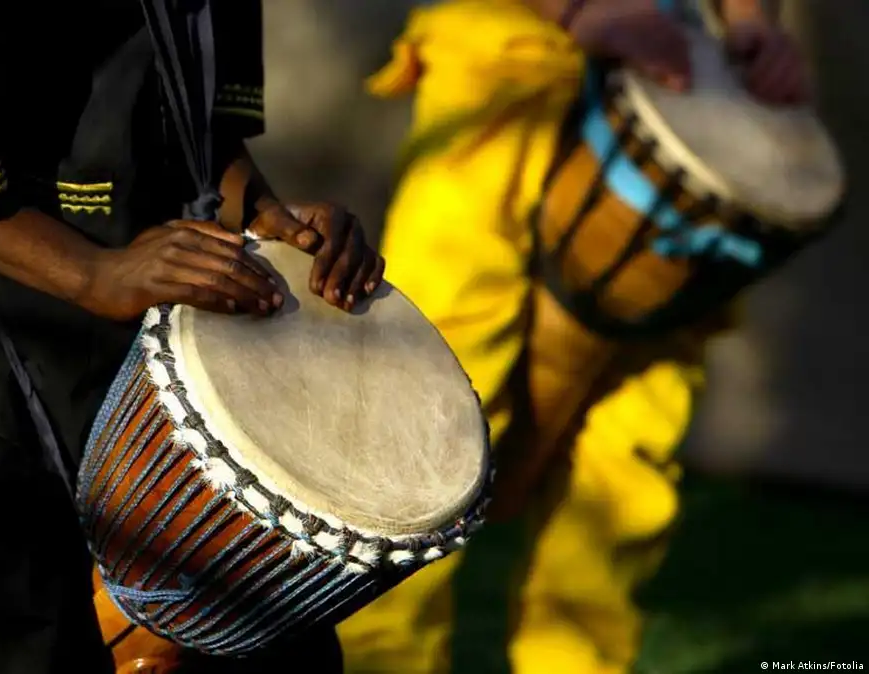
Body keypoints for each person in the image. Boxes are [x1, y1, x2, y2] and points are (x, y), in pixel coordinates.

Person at [0, 1, 383, 672]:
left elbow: (194, 122)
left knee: (274, 647)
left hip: (143, 323)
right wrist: (95, 272)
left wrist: (270, 222)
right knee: (22, 646)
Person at [334, 0, 809, 673]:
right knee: (424, 402)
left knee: (631, 439)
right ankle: (382, 662)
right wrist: (578, 9)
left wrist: (752, 25)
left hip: (676, 73)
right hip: (508, 51)